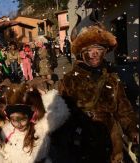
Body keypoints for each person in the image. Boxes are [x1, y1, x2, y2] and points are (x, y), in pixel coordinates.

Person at [58, 24, 139, 163]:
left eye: (99, 49)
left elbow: (123, 109)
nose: (95, 53)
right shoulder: (69, 80)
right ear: (81, 53)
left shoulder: (112, 78)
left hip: (112, 145)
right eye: (89, 50)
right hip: (81, 146)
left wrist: (133, 131)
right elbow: (61, 116)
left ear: (105, 51)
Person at [0, 83, 70, 163]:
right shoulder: (7, 131)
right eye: (14, 120)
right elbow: (6, 158)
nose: (18, 125)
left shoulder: (40, 128)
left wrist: (44, 97)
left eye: (22, 119)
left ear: (30, 116)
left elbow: (60, 112)